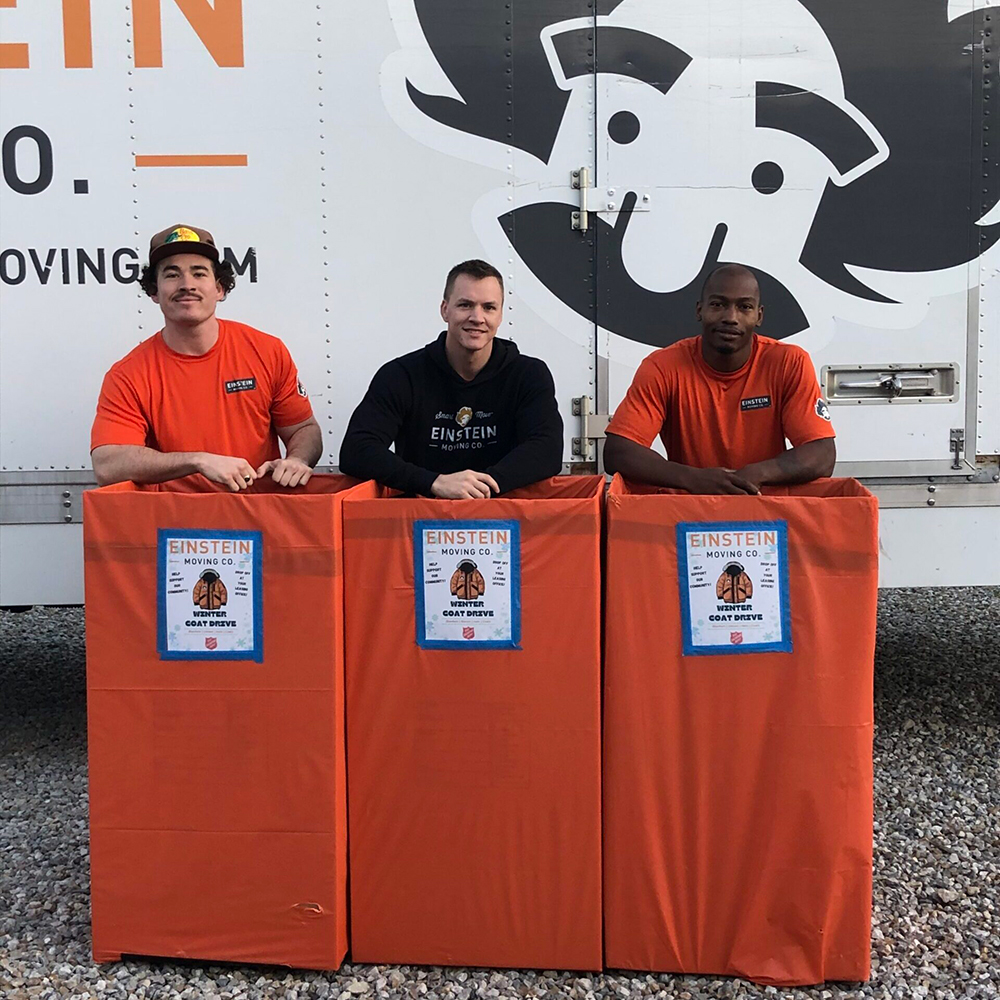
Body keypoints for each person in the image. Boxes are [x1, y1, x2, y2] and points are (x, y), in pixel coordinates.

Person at [91, 224, 321, 492]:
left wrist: (296, 460)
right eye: (172, 275)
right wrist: (197, 461)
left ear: (219, 289)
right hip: (173, 527)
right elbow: (107, 466)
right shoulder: (128, 375)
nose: (187, 285)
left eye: (199, 273)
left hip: (259, 517)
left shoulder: (267, 351)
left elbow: (304, 429)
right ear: (154, 292)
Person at [339, 259, 563, 498]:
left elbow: (546, 449)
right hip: (421, 517)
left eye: (489, 307)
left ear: (500, 316)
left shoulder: (528, 374)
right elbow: (357, 449)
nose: (477, 317)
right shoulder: (401, 375)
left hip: (504, 520)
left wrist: (479, 488)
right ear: (445, 310)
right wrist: (434, 483)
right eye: (465, 305)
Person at [603, 264, 835, 493]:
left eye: (744, 307)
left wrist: (756, 475)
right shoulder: (662, 367)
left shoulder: (789, 362)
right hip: (689, 512)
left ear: (759, 316)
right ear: (699, 310)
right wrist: (694, 479)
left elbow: (822, 454)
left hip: (766, 513)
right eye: (718, 305)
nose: (731, 317)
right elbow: (618, 451)